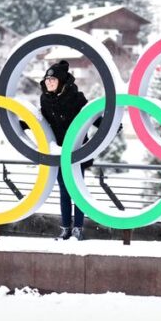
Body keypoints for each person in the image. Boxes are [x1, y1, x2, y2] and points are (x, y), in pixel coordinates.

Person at [36, 61, 96, 241]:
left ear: (61, 81)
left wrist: (108, 125)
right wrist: (23, 125)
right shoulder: (45, 99)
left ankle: (78, 228)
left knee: (77, 190)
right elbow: (43, 119)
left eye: (53, 79)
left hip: (76, 151)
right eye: (47, 79)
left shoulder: (76, 97)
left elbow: (90, 115)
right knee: (63, 190)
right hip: (59, 152)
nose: (49, 82)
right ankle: (65, 228)